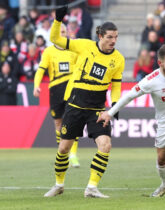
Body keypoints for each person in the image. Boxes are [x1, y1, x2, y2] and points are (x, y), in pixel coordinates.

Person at [44, 6, 125, 198]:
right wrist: (57, 20)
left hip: (97, 109)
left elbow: (116, 85)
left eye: (116, 37)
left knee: (105, 145)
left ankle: (91, 188)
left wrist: (115, 105)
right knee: (64, 148)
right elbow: (55, 39)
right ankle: (59, 184)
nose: (113, 41)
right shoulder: (84, 46)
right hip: (75, 105)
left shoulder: (118, 59)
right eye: (109, 37)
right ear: (100, 36)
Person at [98, 44, 165, 197]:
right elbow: (129, 96)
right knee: (161, 160)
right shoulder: (150, 81)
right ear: (160, 63)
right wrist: (110, 113)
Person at [33, 23, 80, 168]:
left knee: (72, 121)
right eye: (59, 31)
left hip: (71, 88)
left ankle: (73, 155)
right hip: (55, 89)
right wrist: (36, 86)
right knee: (58, 123)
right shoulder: (48, 51)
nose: (62, 33)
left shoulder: (73, 49)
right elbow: (41, 70)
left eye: (64, 31)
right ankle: (63, 152)